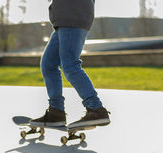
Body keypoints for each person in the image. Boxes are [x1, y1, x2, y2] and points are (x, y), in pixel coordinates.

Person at [30, 0, 110, 129]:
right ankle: (56, 112)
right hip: (64, 20)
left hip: (73, 15)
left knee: (70, 65)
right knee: (48, 65)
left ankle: (96, 109)